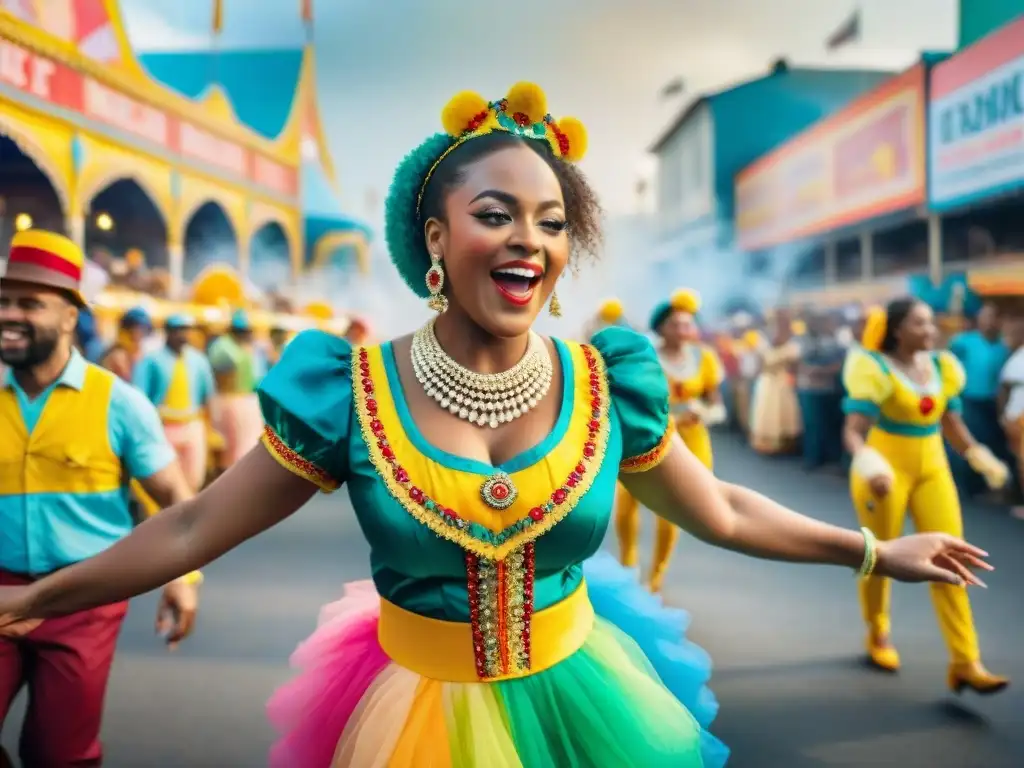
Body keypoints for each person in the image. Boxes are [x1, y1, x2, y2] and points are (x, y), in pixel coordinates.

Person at [0, 84, 993, 768]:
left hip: (584, 702)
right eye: (497, 213)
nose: (531, 239)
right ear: (435, 237)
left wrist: (873, 552)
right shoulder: (348, 390)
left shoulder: (612, 384)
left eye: (553, 221)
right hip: (410, 721)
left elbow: (722, 508)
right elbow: (183, 530)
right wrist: (31, 600)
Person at [0, 230, 201, 767]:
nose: (9, 315)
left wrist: (183, 580)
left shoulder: (120, 403)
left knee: (60, 753)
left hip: (83, 599)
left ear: (70, 316)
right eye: (3, 302)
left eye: (28, 304)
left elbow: (175, 498)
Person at [841, 298, 1008, 692]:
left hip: (933, 467)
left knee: (952, 558)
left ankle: (966, 660)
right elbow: (852, 431)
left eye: (931, 323)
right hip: (884, 470)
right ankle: (877, 632)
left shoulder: (943, 368)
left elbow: (951, 422)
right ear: (897, 329)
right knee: (877, 556)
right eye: (920, 324)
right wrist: (871, 466)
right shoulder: (874, 369)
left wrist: (979, 457)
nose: (931, 331)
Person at [616, 289, 725, 592]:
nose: (681, 330)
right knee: (627, 502)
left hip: (690, 439)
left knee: (673, 509)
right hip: (646, 436)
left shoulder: (705, 358)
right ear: (661, 326)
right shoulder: (646, 357)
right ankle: (628, 567)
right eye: (675, 324)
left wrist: (703, 411)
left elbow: (716, 404)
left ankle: (656, 580)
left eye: (687, 324)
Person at [134, 314, 218, 493]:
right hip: (163, 426)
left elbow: (208, 396)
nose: (182, 335)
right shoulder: (152, 360)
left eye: (186, 331)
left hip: (192, 425)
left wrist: (211, 429)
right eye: (177, 331)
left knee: (194, 479)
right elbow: (139, 397)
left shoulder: (199, 360)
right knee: (164, 482)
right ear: (167, 332)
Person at [947, 303, 1010, 497]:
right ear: (979, 320)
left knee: (993, 443)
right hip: (969, 401)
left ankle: (989, 485)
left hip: (994, 404)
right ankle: (965, 487)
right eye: (986, 317)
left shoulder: (1004, 345)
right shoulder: (963, 342)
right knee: (968, 441)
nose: (990, 322)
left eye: (993, 317)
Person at [207, 309, 266, 470]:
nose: (245, 334)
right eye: (241, 330)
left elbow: (257, 378)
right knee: (230, 450)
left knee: (247, 447)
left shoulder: (252, 349)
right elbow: (220, 370)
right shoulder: (223, 347)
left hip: (248, 402)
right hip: (229, 401)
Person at [796, 311, 845, 470]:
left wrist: (822, 371)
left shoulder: (834, 340)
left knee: (828, 425)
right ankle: (812, 459)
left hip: (828, 389)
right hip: (810, 390)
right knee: (812, 425)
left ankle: (829, 458)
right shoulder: (803, 341)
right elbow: (804, 367)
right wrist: (823, 370)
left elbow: (838, 364)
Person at [749, 310, 802, 454]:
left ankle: (787, 444)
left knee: (785, 412)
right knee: (768, 412)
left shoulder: (792, 341)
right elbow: (759, 363)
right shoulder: (763, 340)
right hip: (767, 381)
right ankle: (768, 445)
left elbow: (795, 365)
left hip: (784, 381)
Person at [997, 314, 1024, 519]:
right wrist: (1003, 415)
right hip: (1016, 417)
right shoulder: (1017, 358)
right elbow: (1003, 389)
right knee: (1021, 462)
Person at [99, 305, 152, 381]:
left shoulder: (141, 354)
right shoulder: (117, 356)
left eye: (142, 330)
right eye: (133, 330)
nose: (138, 335)